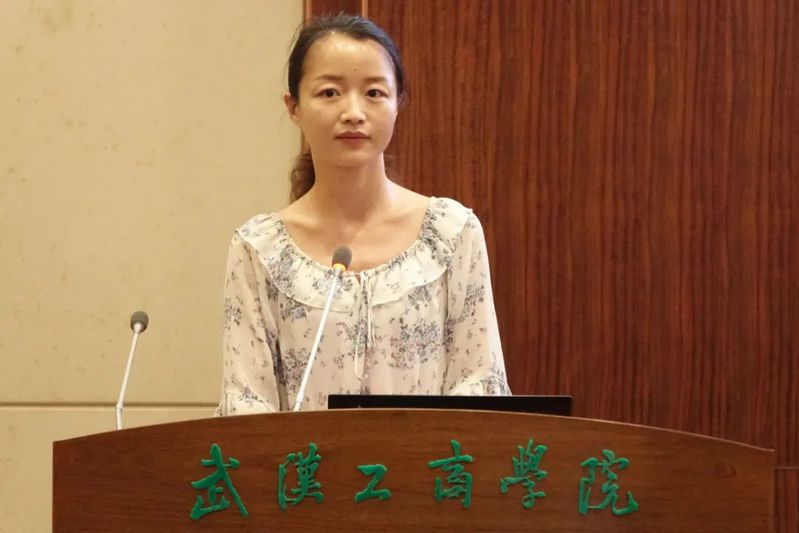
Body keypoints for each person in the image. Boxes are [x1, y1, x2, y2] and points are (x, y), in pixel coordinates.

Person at [215, 14, 510, 415]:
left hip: (430, 457)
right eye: (330, 93)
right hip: (302, 459)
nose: (353, 112)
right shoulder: (259, 249)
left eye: (373, 93)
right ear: (293, 106)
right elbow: (246, 403)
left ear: (398, 103)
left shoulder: (452, 233)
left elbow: (480, 384)